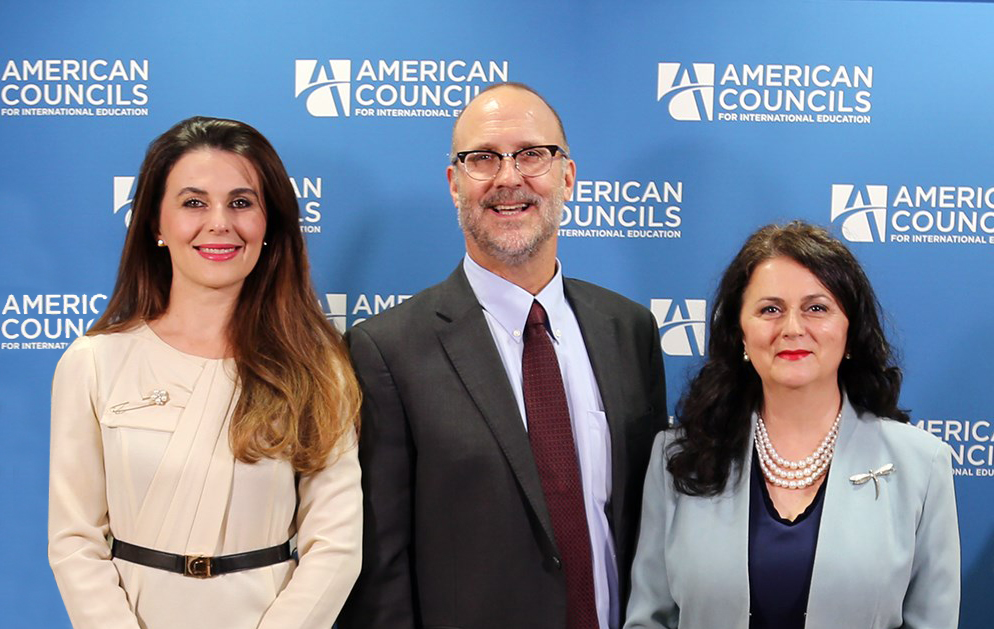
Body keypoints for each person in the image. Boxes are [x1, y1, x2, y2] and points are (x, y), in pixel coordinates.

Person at [337, 83, 667, 629]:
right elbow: (382, 570)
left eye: (532, 154)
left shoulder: (629, 330)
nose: (508, 177)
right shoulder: (389, 349)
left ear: (568, 177)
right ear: (454, 183)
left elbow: (650, 522)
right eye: (482, 159)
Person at [48, 116, 362, 629]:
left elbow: (336, 546)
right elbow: (74, 541)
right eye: (194, 202)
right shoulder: (93, 361)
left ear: (270, 225)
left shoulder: (318, 368)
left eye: (241, 203)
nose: (219, 223)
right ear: (155, 223)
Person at [624, 221, 959, 629]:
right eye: (770, 309)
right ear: (740, 334)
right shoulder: (678, 458)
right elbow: (650, 619)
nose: (793, 328)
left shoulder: (921, 466)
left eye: (817, 308)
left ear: (850, 331)